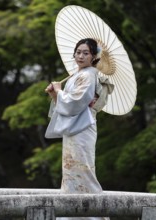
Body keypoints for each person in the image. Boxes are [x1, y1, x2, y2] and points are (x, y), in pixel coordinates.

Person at [45, 38, 111, 220]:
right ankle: (71, 213)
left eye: (86, 53)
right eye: (78, 52)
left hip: (83, 128)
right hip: (75, 128)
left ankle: (95, 214)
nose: (80, 56)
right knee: (71, 169)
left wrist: (59, 91)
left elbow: (75, 103)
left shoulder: (89, 75)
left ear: (93, 57)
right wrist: (54, 94)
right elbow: (68, 105)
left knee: (83, 168)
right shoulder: (78, 74)